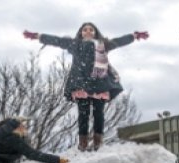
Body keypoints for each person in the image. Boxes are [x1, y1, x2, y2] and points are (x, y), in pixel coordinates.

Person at [23, 23, 148, 151]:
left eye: (91, 30)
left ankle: (97, 141)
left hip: (99, 83)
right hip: (81, 83)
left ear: (95, 32)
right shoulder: (74, 44)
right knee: (83, 114)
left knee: (99, 114)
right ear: (81, 32)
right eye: (85, 30)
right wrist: (38, 36)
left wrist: (134, 35)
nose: (88, 32)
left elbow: (119, 41)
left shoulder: (102, 44)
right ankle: (83, 143)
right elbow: (57, 40)